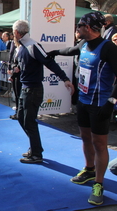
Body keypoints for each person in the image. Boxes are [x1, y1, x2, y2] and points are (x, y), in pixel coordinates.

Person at [47, 12, 117, 206]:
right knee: (85, 137)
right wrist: (55, 52)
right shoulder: (84, 45)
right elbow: (71, 50)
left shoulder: (108, 48)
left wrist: (111, 101)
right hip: (84, 101)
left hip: (100, 104)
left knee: (99, 144)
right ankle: (89, 169)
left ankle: (99, 184)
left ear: (88, 28)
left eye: (79, 26)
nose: (76, 29)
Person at [12, 20, 74, 164]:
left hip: (33, 90)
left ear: (16, 33)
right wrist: (16, 71)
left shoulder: (33, 46)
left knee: (29, 121)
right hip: (26, 88)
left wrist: (64, 78)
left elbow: (49, 62)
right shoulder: (21, 47)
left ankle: (37, 154)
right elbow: (23, 66)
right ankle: (35, 148)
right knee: (21, 118)